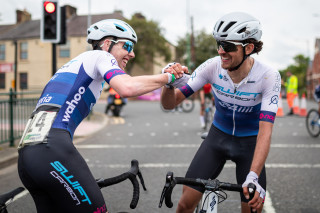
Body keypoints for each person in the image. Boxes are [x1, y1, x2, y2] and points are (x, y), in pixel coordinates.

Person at [17, 19, 186, 213]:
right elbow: (127, 87)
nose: (131, 53)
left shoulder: (71, 65)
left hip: (27, 156)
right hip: (51, 150)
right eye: (127, 46)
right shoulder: (99, 56)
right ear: (107, 44)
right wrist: (170, 77)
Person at [161, 12, 281, 213]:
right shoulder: (212, 67)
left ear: (249, 48)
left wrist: (253, 175)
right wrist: (168, 83)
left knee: (252, 210)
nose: (221, 51)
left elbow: (265, 131)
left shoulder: (268, 77)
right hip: (217, 139)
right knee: (184, 205)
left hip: (249, 145)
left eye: (228, 46)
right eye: (219, 44)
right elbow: (170, 104)